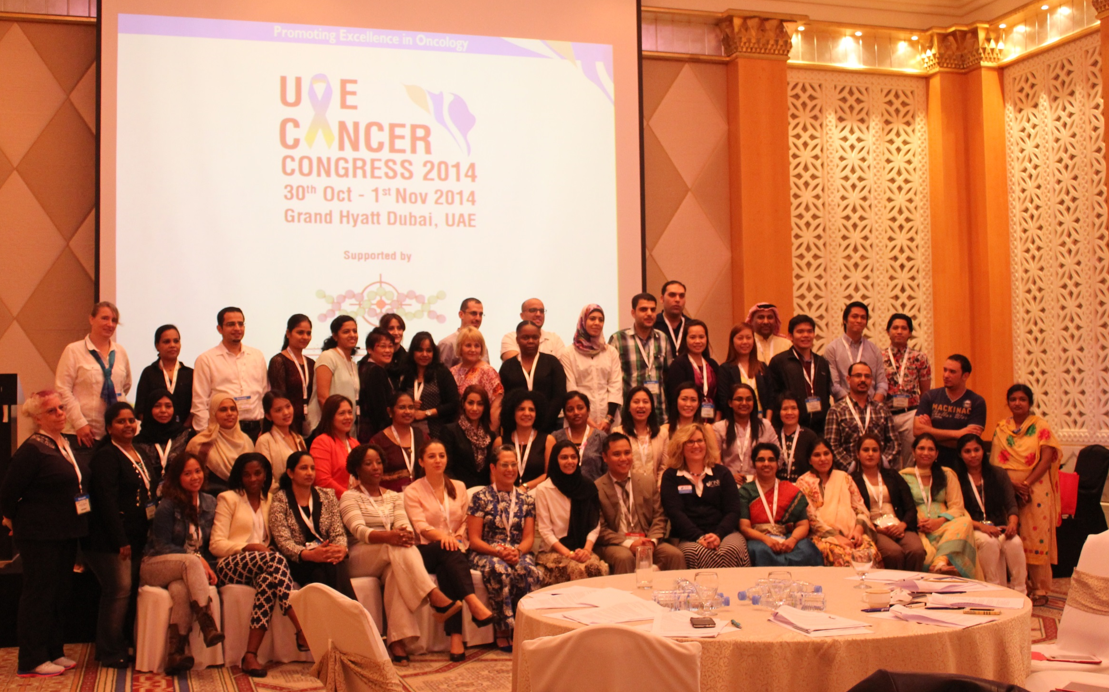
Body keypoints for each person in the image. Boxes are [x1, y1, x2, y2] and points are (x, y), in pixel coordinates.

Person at [343, 443, 485, 664]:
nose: (375, 467)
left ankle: (397, 642)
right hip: (361, 555)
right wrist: (391, 536)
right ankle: (433, 596)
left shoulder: (393, 496)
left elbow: (405, 527)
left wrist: (401, 535)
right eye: (368, 464)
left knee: (395, 569)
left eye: (379, 462)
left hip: (392, 553)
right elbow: (359, 531)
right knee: (396, 546)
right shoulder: (349, 497)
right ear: (356, 469)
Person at [1, 391, 90, 677]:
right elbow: (8, 494)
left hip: (64, 532)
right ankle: (32, 658)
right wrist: (14, 520)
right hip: (39, 536)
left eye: (62, 408)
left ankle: (54, 650)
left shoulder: (62, 443)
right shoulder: (32, 449)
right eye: (53, 411)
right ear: (38, 417)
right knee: (39, 594)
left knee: (59, 593)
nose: (61, 414)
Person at [210, 453, 306, 677]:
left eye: (257, 473)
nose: (252, 479)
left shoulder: (272, 500)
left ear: (266, 475)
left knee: (268, 582)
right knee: (273, 559)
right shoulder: (228, 498)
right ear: (239, 477)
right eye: (246, 474)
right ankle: (301, 628)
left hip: (264, 566)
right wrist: (248, 547)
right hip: (230, 565)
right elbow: (216, 544)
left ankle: (250, 655)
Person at [402, 440, 496, 661]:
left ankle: (456, 638)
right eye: (432, 456)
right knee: (448, 553)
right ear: (421, 461)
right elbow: (420, 526)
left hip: (455, 548)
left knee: (449, 566)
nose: (438, 460)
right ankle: (473, 602)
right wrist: (445, 538)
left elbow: (465, 520)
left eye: (442, 456)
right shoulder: (413, 490)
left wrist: (455, 537)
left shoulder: (459, 486)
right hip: (426, 551)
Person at [86, 403, 159, 668]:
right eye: (121, 422)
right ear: (108, 428)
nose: (128, 425)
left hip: (137, 535)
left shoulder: (138, 451)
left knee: (126, 592)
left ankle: (124, 643)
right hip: (110, 540)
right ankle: (109, 651)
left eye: (131, 421)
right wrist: (121, 540)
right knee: (118, 591)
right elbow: (105, 500)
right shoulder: (107, 456)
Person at [140, 453, 224, 676]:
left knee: (180, 589)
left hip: (185, 570)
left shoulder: (210, 503)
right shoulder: (168, 506)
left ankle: (176, 653)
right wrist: (197, 559)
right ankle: (207, 623)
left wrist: (206, 565)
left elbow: (207, 548)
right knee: (190, 562)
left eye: (197, 471)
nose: (194, 477)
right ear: (177, 478)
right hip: (155, 564)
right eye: (187, 473)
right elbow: (161, 546)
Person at [989, 384, 1061, 605]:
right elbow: (994, 464)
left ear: (1030, 403)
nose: (1017, 403)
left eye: (1022, 399)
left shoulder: (1041, 427)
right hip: (1007, 487)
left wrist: (1026, 483)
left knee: (1036, 537)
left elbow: (1046, 459)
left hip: (1036, 487)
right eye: (1013, 399)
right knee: (1012, 534)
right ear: (1008, 402)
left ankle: (1040, 589)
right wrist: (1012, 485)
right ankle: (1020, 585)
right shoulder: (1002, 429)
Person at [467, 447, 542, 652]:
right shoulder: (480, 497)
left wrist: (517, 552)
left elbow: (528, 538)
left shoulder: (526, 499)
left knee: (530, 571)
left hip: (517, 550)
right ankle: (502, 630)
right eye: (504, 465)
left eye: (513, 464)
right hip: (486, 551)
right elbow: (474, 540)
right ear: (493, 467)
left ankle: (525, 629)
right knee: (500, 570)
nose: (510, 469)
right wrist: (499, 552)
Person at [659, 423, 749, 568]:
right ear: (680, 446)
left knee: (734, 549)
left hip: (724, 533)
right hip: (687, 536)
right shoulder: (671, 476)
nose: (696, 446)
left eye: (700, 440)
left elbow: (733, 511)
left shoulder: (722, 473)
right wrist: (699, 537)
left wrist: (718, 535)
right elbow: (675, 513)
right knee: (696, 552)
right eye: (690, 441)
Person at [593, 433, 684, 573]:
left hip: (647, 539)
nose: (623, 458)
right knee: (624, 558)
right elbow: (600, 529)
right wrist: (630, 544)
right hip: (616, 544)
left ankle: (679, 595)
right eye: (617, 454)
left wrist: (652, 542)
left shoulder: (647, 482)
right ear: (605, 457)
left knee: (674, 555)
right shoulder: (596, 488)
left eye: (627, 453)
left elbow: (659, 517)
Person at [269, 451, 355, 598]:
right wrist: (309, 554)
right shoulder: (280, 500)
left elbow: (338, 532)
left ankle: (341, 616)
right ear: (290, 473)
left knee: (332, 565)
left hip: (326, 555)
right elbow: (283, 542)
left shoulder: (327, 495)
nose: (309, 473)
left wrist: (340, 549)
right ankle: (352, 613)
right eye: (303, 468)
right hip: (299, 560)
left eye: (312, 468)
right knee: (322, 573)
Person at [899, 434, 979, 577]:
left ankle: (940, 562)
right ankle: (938, 565)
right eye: (921, 448)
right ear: (913, 451)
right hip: (918, 526)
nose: (926, 453)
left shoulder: (947, 474)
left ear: (937, 453)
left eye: (931, 449)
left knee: (965, 522)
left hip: (944, 525)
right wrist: (916, 522)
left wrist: (939, 521)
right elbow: (901, 507)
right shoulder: (903, 476)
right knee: (925, 552)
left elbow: (957, 506)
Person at [55, 301, 132, 447]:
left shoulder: (120, 352)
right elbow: (62, 390)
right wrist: (80, 423)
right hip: (82, 434)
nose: (110, 324)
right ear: (91, 319)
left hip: (113, 436)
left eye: (114, 320)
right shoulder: (73, 350)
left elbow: (125, 387)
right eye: (105, 318)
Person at [795, 438, 881, 567]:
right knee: (841, 556)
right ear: (809, 460)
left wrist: (858, 531)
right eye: (817, 455)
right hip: (822, 537)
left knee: (870, 552)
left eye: (826, 453)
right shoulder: (803, 482)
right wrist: (836, 537)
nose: (823, 458)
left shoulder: (844, 477)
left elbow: (861, 508)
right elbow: (811, 518)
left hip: (853, 534)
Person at [957, 434, 1026, 593]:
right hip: (974, 528)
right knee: (989, 543)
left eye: (977, 450)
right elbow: (958, 512)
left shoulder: (998, 473)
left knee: (1015, 543)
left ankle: (1020, 590)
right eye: (967, 451)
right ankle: (993, 589)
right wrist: (982, 527)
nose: (973, 455)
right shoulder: (956, 478)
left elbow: (1011, 505)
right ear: (960, 454)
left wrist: (1013, 524)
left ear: (983, 451)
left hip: (1000, 526)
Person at [534, 440, 608, 584]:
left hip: (582, 549)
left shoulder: (587, 486)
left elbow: (595, 525)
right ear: (555, 460)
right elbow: (545, 531)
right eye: (564, 457)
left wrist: (586, 550)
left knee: (595, 569)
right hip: (553, 551)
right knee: (578, 570)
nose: (570, 461)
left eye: (573, 457)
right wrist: (569, 554)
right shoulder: (544, 489)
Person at [738, 443, 823, 567]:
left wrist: (793, 540)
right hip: (760, 539)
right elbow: (745, 528)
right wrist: (766, 539)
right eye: (761, 460)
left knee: (807, 549)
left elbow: (803, 524)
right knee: (760, 551)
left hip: (787, 537)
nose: (766, 464)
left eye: (771, 460)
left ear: (778, 464)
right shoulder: (745, 491)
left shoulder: (791, 490)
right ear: (753, 464)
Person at [850, 434, 925, 572]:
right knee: (894, 553)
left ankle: (912, 587)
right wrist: (877, 529)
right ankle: (892, 589)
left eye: (875, 450)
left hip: (898, 525)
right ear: (857, 454)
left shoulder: (893, 476)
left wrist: (902, 525)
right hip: (873, 528)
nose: (870, 454)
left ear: (880, 454)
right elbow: (853, 512)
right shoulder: (851, 480)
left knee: (917, 550)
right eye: (866, 450)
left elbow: (910, 508)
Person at [192, 307, 269, 439]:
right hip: (222, 432)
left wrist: (266, 430)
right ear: (219, 329)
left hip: (256, 430)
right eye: (231, 324)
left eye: (240, 324)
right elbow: (200, 402)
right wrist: (206, 435)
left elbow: (264, 393)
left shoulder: (257, 356)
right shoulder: (206, 359)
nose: (237, 328)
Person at [913, 355, 986, 470]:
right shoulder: (930, 396)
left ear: (965, 376)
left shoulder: (976, 401)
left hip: (961, 462)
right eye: (945, 370)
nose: (946, 375)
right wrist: (957, 434)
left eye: (952, 372)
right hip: (931, 459)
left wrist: (931, 434)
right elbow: (917, 431)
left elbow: (968, 442)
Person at [609, 293, 672, 426]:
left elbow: (667, 374)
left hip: (658, 413)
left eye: (653, 309)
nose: (649, 313)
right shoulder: (618, 339)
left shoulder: (662, 338)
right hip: (629, 415)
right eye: (643, 309)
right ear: (633, 312)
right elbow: (611, 379)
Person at [824, 363, 900, 473]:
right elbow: (832, 445)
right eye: (858, 376)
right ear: (848, 379)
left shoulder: (882, 410)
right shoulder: (836, 411)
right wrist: (853, 467)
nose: (863, 380)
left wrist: (880, 463)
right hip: (848, 474)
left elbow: (894, 443)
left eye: (867, 376)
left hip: (879, 473)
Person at [559, 304, 623, 431]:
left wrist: (608, 419)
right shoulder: (568, 353)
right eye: (592, 318)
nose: (597, 323)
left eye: (601, 319)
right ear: (583, 321)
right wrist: (589, 423)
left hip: (609, 420)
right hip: (579, 420)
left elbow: (615, 386)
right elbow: (571, 388)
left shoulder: (610, 352)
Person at [768, 315, 834, 435]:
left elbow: (826, 394)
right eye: (800, 332)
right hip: (790, 427)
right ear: (790, 336)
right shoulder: (779, 362)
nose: (805, 335)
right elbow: (773, 397)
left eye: (809, 331)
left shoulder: (822, 362)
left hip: (819, 429)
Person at [882, 314, 932, 468]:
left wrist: (922, 414)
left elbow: (925, 390)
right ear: (888, 331)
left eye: (904, 328)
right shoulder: (879, 356)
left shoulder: (919, 357)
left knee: (911, 456)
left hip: (911, 413)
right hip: (886, 413)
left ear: (910, 333)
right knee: (889, 457)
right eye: (895, 327)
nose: (899, 331)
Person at [499, 321, 567, 433]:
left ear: (539, 338)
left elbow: (559, 396)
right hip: (516, 429)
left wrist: (543, 424)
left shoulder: (552, 363)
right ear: (517, 340)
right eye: (525, 338)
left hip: (548, 428)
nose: (530, 341)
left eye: (534, 337)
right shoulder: (508, 366)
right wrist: (516, 424)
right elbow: (504, 400)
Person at [186, 392, 255, 494]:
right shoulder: (200, 443)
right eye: (223, 410)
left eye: (233, 409)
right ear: (213, 413)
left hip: (245, 497)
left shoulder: (247, 441)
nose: (229, 413)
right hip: (212, 500)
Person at [396, 331, 459, 438]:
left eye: (429, 351)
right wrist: (410, 404)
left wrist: (427, 413)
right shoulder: (405, 373)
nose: (424, 354)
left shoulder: (441, 373)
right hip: (408, 432)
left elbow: (453, 404)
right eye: (420, 350)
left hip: (437, 433)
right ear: (412, 352)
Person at [824, 302, 889, 402]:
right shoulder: (833, 349)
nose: (859, 320)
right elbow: (834, 384)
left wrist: (873, 405)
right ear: (845, 320)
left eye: (863, 317)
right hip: (845, 408)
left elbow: (882, 383)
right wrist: (852, 405)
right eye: (855, 316)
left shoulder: (874, 350)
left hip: (871, 409)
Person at [713, 383, 777, 484]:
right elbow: (713, 460)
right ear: (730, 403)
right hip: (729, 482)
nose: (744, 403)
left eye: (748, 399)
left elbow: (778, 456)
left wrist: (764, 473)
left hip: (760, 482)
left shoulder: (765, 426)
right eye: (739, 399)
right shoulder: (719, 428)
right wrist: (728, 476)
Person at [494, 389, 555, 490]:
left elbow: (549, 473)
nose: (527, 413)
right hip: (505, 495)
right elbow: (494, 474)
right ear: (512, 413)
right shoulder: (500, 441)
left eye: (531, 410)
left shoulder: (548, 440)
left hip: (537, 494)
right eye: (521, 409)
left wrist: (525, 487)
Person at [135, 324, 193, 428]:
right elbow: (140, 408)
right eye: (167, 341)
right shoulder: (149, 373)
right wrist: (152, 429)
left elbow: (196, 407)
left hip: (184, 433)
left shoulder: (190, 373)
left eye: (176, 341)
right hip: (153, 434)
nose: (172, 345)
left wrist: (183, 430)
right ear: (157, 346)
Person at [369, 391, 427, 492]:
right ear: (390, 411)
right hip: (389, 499)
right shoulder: (378, 441)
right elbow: (370, 475)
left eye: (411, 407)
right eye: (402, 407)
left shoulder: (422, 436)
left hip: (420, 496)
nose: (408, 412)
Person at [309, 316, 359, 433]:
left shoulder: (353, 363)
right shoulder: (328, 357)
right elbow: (323, 397)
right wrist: (334, 424)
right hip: (329, 427)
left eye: (355, 331)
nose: (352, 335)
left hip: (347, 426)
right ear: (335, 336)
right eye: (346, 332)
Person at [440, 385, 495, 488]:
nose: (475, 408)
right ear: (463, 404)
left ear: (485, 407)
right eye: (470, 403)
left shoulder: (490, 435)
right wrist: (459, 490)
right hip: (458, 490)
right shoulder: (450, 431)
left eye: (480, 404)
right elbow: (446, 468)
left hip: (485, 491)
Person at [268, 315, 314, 436]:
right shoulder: (278, 361)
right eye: (300, 332)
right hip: (287, 423)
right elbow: (279, 398)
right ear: (288, 333)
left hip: (310, 422)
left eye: (308, 333)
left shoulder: (311, 363)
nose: (305, 337)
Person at [132, 388, 191, 482]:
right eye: (157, 406)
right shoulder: (137, 442)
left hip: (181, 491)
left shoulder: (186, 436)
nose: (163, 410)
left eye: (168, 406)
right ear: (149, 409)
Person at [450, 326, 504, 429]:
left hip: (482, 430)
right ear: (460, 347)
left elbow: (496, 406)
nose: (473, 349)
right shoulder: (452, 372)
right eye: (468, 345)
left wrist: (489, 433)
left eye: (477, 346)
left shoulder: (488, 371)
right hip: (456, 430)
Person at [717, 323, 775, 418]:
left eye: (748, 338)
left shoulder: (762, 366)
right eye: (740, 338)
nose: (745, 342)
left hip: (762, 421)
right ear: (733, 341)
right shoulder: (725, 369)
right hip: (736, 422)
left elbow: (771, 397)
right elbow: (723, 400)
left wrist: (768, 421)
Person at [666, 319, 719, 423]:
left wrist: (717, 421)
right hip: (688, 421)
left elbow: (719, 397)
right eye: (692, 337)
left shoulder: (713, 364)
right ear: (685, 340)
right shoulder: (678, 365)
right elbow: (674, 398)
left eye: (701, 337)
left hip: (712, 421)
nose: (698, 341)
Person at [612, 385, 668, 479]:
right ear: (629, 407)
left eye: (645, 402)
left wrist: (657, 489)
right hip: (628, 489)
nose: (641, 406)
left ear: (651, 407)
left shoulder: (662, 434)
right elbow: (617, 466)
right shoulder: (618, 433)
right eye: (636, 402)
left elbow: (664, 467)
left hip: (655, 490)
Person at [552, 391, 609, 482]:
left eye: (580, 408)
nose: (576, 412)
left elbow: (607, 471)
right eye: (570, 409)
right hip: (563, 491)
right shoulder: (555, 437)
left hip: (595, 491)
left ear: (588, 410)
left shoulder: (601, 437)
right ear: (565, 414)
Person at [254, 391, 307, 487]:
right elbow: (265, 479)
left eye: (288, 406)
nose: (286, 413)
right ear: (268, 416)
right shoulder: (264, 441)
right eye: (278, 410)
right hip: (278, 496)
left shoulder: (298, 438)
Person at [310, 395, 357, 497]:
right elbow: (322, 481)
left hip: (357, 500)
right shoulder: (322, 442)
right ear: (330, 417)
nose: (348, 417)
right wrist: (349, 496)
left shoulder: (355, 443)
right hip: (333, 503)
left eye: (349, 412)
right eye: (342, 413)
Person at [356, 328, 396, 442]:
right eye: (383, 346)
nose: (388, 350)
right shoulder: (376, 371)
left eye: (390, 346)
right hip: (375, 433)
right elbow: (379, 409)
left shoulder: (364, 366)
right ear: (369, 349)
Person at [499, 298, 566, 361]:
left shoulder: (554, 338)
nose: (538, 314)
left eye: (541, 311)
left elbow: (562, 366)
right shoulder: (510, 338)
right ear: (522, 315)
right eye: (533, 310)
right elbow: (513, 364)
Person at [772, 395, 818, 482]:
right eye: (785, 409)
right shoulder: (773, 434)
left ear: (799, 411)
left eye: (794, 408)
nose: (789, 412)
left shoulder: (810, 436)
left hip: (803, 487)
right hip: (775, 488)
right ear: (779, 412)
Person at [438, 298, 488, 368]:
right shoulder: (448, 343)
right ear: (461, 314)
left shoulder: (481, 344)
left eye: (480, 314)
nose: (478, 318)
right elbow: (441, 375)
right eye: (473, 313)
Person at [653, 280, 691, 354]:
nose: (677, 299)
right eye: (672, 295)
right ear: (662, 299)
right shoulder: (653, 325)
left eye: (681, 296)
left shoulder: (692, 325)